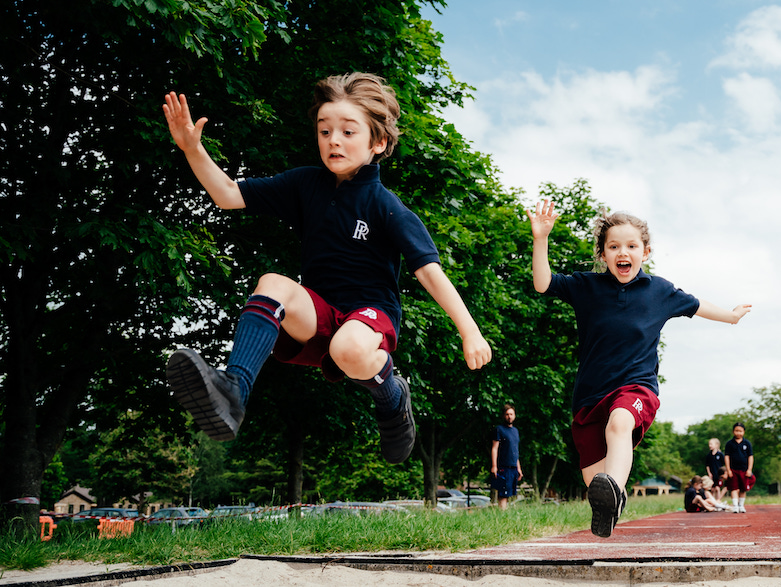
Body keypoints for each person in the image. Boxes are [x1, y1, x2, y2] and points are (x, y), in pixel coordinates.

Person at [160, 74, 491, 464]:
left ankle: (393, 395)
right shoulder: (306, 184)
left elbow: (429, 272)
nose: (334, 140)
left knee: (347, 347)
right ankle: (233, 390)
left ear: (378, 142)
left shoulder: (388, 207)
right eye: (325, 130)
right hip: (318, 311)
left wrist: (470, 331)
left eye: (348, 131)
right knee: (272, 283)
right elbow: (228, 195)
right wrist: (192, 149)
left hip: (369, 315)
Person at [528, 201, 751, 537]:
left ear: (645, 251)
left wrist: (731, 316)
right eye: (614, 246)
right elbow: (544, 283)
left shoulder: (659, 291)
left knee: (620, 424)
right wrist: (541, 239)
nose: (623, 252)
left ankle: (615, 490)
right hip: (589, 395)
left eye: (632, 246)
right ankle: (611, 499)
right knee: (595, 483)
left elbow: (697, 304)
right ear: (603, 254)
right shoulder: (586, 287)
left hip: (636, 388)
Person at [491, 404, 523, 510]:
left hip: (513, 466)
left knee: (510, 493)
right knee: (503, 494)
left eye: (511, 414)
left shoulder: (515, 431)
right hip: (503, 466)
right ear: (504, 416)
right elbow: (494, 448)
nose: (509, 416)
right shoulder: (499, 429)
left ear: (514, 416)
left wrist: (518, 468)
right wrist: (494, 466)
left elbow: (515, 450)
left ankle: (505, 516)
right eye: (507, 414)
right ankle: (502, 516)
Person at [725, 422, 755, 514]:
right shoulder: (729, 444)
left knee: (743, 489)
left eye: (740, 431)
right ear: (733, 431)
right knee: (734, 488)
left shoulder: (747, 443)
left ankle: (741, 505)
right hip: (733, 469)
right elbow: (727, 456)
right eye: (736, 431)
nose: (738, 433)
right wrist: (728, 469)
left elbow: (750, 456)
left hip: (744, 470)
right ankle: (735, 506)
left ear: (744, 432)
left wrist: (749, 469)